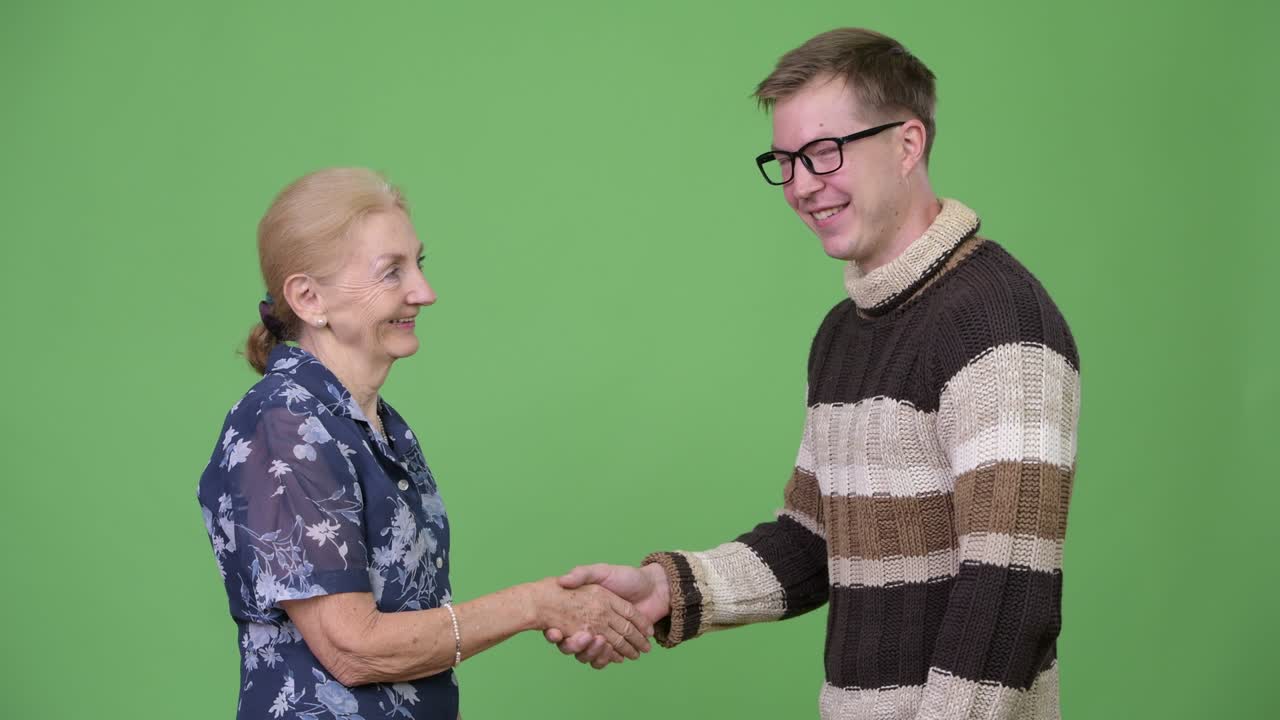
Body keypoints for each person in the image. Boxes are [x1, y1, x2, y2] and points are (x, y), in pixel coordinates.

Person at [545, 28, 1081, 719]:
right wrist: (664, 590)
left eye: (825, 153)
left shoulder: (999, 323)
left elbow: (1010, 595)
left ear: (908, 143)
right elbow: (814, 540)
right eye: (787, 160)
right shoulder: (843, 334)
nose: (801, 184)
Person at [197, 168, 652, 720]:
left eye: (419, 263)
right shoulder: (283, 425)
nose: (424, 292)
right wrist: (537, 604)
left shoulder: (375, 423)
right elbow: (352, 649)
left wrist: (573, 608)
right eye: (391, 273)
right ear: (308, 297)